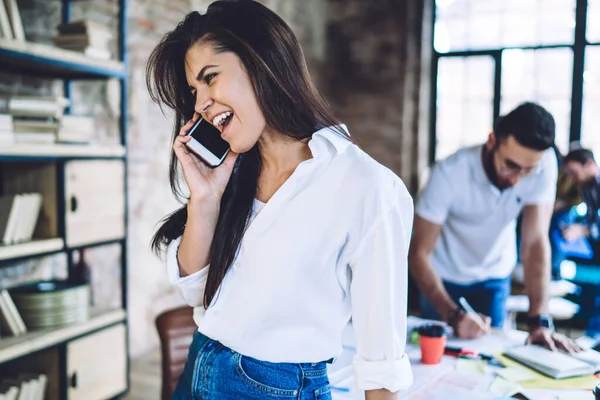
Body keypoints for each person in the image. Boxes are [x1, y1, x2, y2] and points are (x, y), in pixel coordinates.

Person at [146, 1, 413, 399]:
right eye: (193, 90)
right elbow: (197, 292)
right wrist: (205, 198)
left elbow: (382, 363)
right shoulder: (233, 172)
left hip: (274, 388)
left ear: (261, 62)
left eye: (210, 78)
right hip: (200, 366)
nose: (200, 102)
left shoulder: (367, 186)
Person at [409, 102, 580, 352]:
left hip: (495, 278)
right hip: (444, 278)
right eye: (510, 165)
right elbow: (418, 254)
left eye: (528, 170)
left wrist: (539, 321)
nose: (517, 178)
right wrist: (453, 315)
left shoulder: (545, 165)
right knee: (439, 359)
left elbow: (534, 243)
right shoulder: (449, 173)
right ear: (492, 140)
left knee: (490, 360)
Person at [559, 148, 600, 263]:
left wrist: (584, 230)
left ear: (589, 164)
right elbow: (592, 218)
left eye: (574, 172)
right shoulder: (586, 187)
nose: (572, 179)